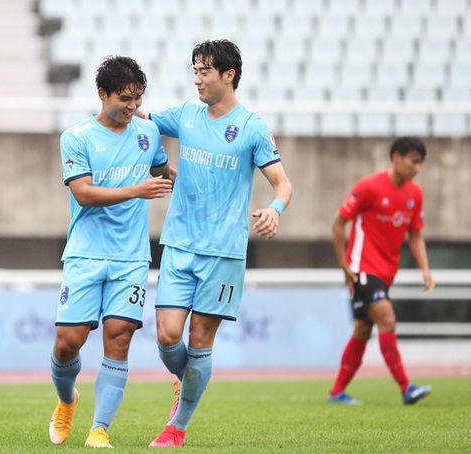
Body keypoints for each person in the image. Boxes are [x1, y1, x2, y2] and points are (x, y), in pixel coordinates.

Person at [139, 40, 292, 447]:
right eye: (195, 70)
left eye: (204, 71)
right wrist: (112, 107)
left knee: (200, 341)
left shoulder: (252, 128)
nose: (197, 79)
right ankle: (189, 380)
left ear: (229, 75)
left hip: (224, 253)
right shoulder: (186, 114)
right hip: (179, 245)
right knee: (167, 337)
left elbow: (283, 184)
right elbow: (144, 118)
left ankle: (177, 427)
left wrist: (274, 209)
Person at [48, 56, 172, 448]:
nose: (133, 106)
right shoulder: (76, 137)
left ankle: (99, 429)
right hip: (85, 254)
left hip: (131, 256)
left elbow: (164, 173)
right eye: (125, 99)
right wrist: (137, 189)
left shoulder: (148, 132)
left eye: (138, 98)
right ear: (102, 94)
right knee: (68, 342)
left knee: (118, 338)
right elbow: (83, 193)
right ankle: (67, 399)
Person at [328, 136, 434, 406]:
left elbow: (415, 234)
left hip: (386, 274)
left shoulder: (415, 194)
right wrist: (344, 264)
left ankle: (337, 393)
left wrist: (425, 269)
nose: (417, 168)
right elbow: (339, 223)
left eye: (420, 163)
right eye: (413, 162)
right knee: (387, 320)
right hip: (362, 269)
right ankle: (406, 388)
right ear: (397, 158)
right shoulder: (369, 186)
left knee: (363, 331)